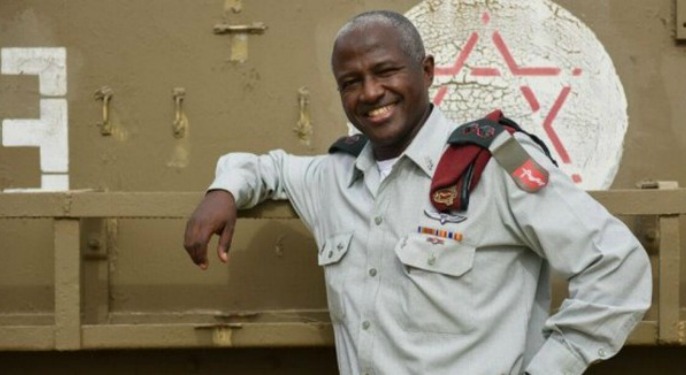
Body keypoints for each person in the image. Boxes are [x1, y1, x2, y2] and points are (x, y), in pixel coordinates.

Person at [183, 10, 652, 375]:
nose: (370, 92)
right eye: (351, 82)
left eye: (386, 71)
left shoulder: (499, 161)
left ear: (426, 70)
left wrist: (550, 367)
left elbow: (617, 266)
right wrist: (223, 189)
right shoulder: (335, 177)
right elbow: (269, 168)